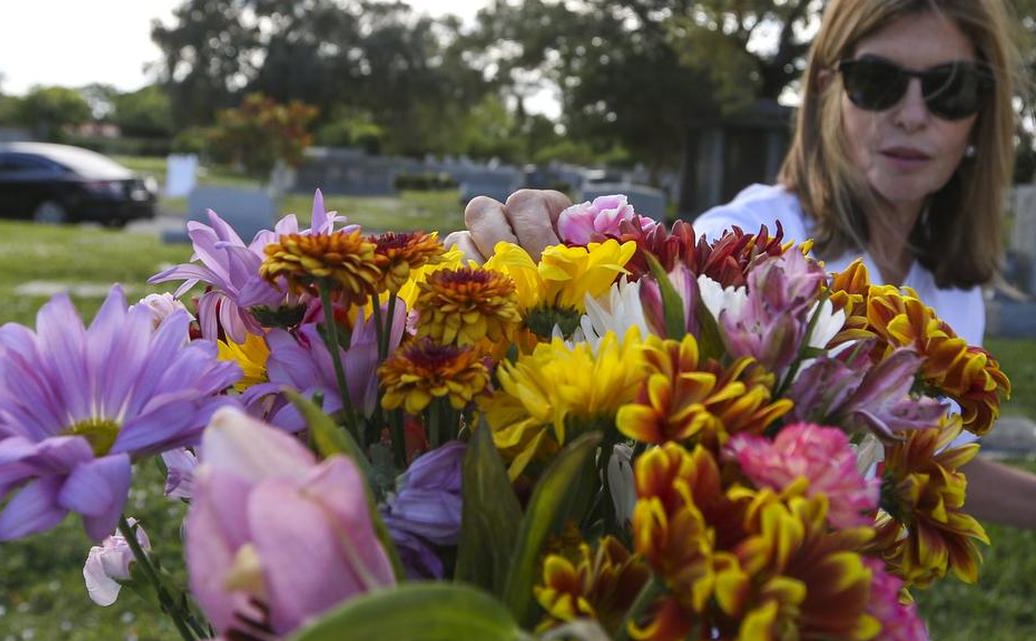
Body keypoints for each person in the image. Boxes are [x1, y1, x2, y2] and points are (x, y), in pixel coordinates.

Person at [444, 0, 1036, 529]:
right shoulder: (743, 243)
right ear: (827, 91)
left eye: (950, 89)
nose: (911, 114)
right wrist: (539, 266)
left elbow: (923, 459)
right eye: (876, 81)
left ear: (983, 113)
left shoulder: (956, 290)